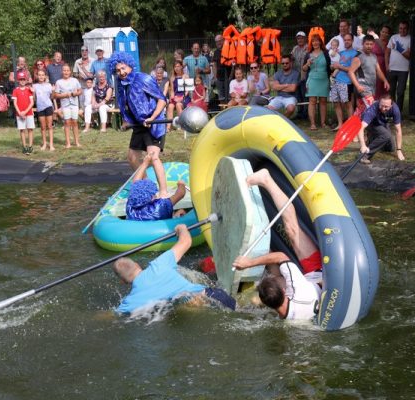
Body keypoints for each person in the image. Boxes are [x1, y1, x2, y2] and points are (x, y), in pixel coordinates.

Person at [232, 168, 321, 320]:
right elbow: (281, 256)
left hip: (308, 290)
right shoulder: (297, 289)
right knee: (292, 230)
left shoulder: (283, 318)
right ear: (285, 292)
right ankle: (266, 179)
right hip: (318, 271)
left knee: (269, 273)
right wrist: (249, 263)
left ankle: (265, 180)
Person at [113, 224, 236, 314]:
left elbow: (110, 316)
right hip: (212, 297)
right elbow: (186, 241)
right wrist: (181, 228)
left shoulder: (129, 302)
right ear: (137, 265)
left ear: (122, 281)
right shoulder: (159, 263)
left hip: (192, 310)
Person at [109, 52, 169, 197]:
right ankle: (148, 186)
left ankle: (163, 192)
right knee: (132, 158)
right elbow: (126, 104)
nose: (121, 72)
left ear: (130, 65)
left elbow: (162, 99)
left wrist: (152, 118)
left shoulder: (143, 78)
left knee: (153, 156)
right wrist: (126, 121)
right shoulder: (120, 83)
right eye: (118, 70)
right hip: (139, 124)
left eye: (123, 68)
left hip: (154, 123)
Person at [126, 153, 186, 221]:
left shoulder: (130, 207)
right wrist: (181, 184)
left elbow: (135, 183)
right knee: (181, 211)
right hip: (162, 228)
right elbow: (180, 194)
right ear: (153, 198)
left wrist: (145, 164)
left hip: (142, 226)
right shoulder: (160, 206)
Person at [357, 94, 405, 164]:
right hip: (371, 123)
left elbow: (398, 130)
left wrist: (399, 150)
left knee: (390, 148)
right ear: (379, 102)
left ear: (391, 105)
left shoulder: (395, 110)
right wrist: (363, 146)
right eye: (382, 105)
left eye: (386, 107)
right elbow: (360, 128)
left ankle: (372, 139)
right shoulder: (373, 109)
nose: (383, 108)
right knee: (386, 135)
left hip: (382, 122)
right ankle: (364, 155)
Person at [348, 35, 390, 114]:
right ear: (363, 44)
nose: (369, 46)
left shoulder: (374, 56)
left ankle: (351, 126)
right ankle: (380, 125)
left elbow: (378, 71)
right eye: (367, 44)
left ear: (374, 45)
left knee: (360, 111)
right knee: (372, 108)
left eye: (371, 44)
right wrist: (357, 86)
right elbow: (350, 72)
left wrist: (385, 80)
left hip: (371, 88)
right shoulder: (358, 57)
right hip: (363, 88)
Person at [302, 34, 331, 130]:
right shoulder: (308, 54)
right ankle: (313, 124)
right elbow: (304, 69)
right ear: (311, 43)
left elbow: (329, 67)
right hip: (312, 79)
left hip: (323, 79)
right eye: (313, 41)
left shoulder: (326, 53)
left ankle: (323, 123)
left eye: (317, 40)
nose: (315, 43)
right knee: (312, 101)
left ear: (320, 42)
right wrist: (307, 63)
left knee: (323, 101)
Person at [330, 33, 357, 131]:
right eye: (345, 40)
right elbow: (334, 64)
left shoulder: (355, 53)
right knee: (336, 103)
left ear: (352, 41)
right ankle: (340, 124)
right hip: (336, 80)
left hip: (346, 82)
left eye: (349, 40)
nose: (346, 41)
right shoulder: (340, 53)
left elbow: (352, 69)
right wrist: (333, 66)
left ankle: (351, 125)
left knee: (348, 104)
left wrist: (339, 67)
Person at [54, 64, 82, 148]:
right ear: (62, 72)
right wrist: (65, 95)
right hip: (65, 105)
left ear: (70, 72)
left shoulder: (75, 80)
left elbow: (80, 91)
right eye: (64, 70)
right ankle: (68, 143)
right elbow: (56, 95)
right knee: (67, 122)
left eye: (67, 70)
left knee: (75, 122)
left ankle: (77, 142)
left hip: (74, 104)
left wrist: (74, 93)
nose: (66, 72)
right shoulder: (59, 82)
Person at [386, 21, 411, 112]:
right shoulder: (393, 37)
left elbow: (409, 55)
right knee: (391, 91)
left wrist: (398, 48)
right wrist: (386, 65)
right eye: (400, 28)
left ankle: (398, 112)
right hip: (392, 69)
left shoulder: (410, 39)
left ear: (407, 29)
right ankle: (392, 110)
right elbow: (387, 52)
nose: (402, 30)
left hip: (403, 70)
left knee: (400, 92)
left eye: (404, 28)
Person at [11, 71, 35, 154]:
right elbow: (15, 103)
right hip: (20, 114)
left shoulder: (29, 90)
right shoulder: (15, 90)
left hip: (29, 113)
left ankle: (30, 146)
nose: (22, 81)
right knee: (22, 130)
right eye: (20, 79)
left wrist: (25, 111)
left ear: (26, 80)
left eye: (23, 79)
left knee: (30, 129)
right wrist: (20, 113)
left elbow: (32, 102)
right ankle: (24, 147)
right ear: (18, 80)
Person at [32, 69, 55, 151]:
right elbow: (34, 99)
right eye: (39, 75)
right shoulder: (34, 86)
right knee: (43, 127)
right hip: (40, 108)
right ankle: (45, 143)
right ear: (37, 76)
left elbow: (52, 97)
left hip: (48, 106)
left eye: (42, 75)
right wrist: (32, 93)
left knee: (49, 126)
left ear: (45, 76)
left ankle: (51, 144)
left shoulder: (49, 85)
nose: (41, 76)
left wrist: (53, 91)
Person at [167, 60, 188, 132]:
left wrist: (181, 98)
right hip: (176, 97)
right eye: (175, 66)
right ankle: (168, 127)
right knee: (170, 106)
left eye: (178, 66)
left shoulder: (185, 76)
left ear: (181, 67)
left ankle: (183, 125)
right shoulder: (172, 77)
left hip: (184, 97)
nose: (177, 68)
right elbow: (172, 91)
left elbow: (187, 91)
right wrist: (172, 97)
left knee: (178, 105)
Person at [291, 31, 309, 119]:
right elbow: (291, 58)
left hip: (306, 75)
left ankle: (306, 113)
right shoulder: (295, 49)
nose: (300, 40)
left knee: (305, 95)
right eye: (298, 38)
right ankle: (299, 112)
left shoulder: (308, 48)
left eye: (302, 38)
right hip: (296, 76)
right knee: (298, 95)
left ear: (305, 38)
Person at [373, 26, 391, 98]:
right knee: (376, 84)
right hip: (375, 65)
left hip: (385, 65)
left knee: (383, 84)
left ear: (388, 34)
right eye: (383, 32)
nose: (384, 34)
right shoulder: (374, 41)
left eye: (386, 32)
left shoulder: (389, 43)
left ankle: (384, 101)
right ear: (380, 32)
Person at [212, 34, 230, 103]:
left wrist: (231, 76)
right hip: (219, 78)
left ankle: (230, 112)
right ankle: (223, 112)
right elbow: (214, 65)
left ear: (223, 40)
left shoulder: (229, 49)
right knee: (221, 98)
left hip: (228, 77)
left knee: (229, 96)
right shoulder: (216, 52)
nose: (218, 43)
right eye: (216, 41)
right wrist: (215, 77)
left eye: (219, 41)